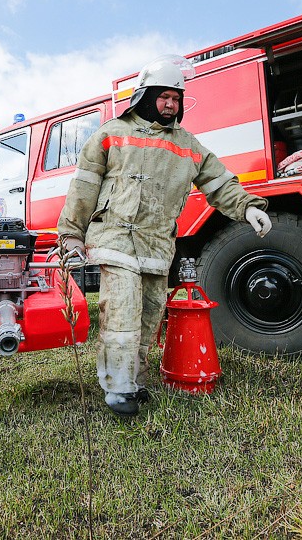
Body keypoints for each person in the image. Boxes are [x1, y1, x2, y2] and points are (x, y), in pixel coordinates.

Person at [57, 55, 272, 417]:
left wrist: (248, 206)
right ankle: (118, 387)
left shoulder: (188, 145)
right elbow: (84, 188)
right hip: (115, 240)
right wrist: (71, 236)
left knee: (149, 318)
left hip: (158, 246)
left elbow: (218, 182)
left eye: (177, 98)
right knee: (122, 314)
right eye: (164, 96)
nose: (171, 104)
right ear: (144, 95)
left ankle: (136, 381)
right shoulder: (110, 134)